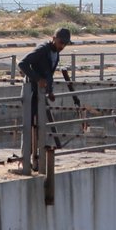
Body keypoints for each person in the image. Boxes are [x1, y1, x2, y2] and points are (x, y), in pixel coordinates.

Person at [18, 27, 74, 169]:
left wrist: (50, 91)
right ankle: (25, 159)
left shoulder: (56, 53)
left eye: (65, 44)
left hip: (41, 94)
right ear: (53, 38)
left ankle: (35, 158)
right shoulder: (42, 49)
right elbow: (22, 64)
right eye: (61, 42)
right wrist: (37, 79)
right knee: (29, 125)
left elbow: (48, 74)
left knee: (39, 126)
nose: (62, 46)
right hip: (30, 91)